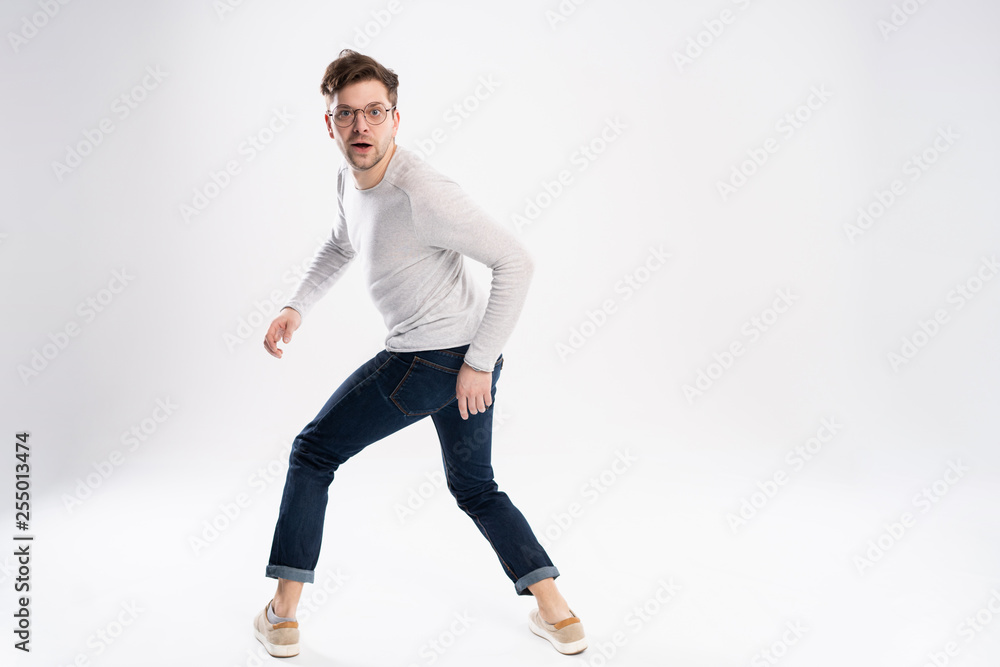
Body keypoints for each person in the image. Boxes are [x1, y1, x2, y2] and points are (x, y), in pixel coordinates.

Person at [252, 49, 587, 659]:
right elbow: (340, 242)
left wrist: (479, 363)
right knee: (476, 487)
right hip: (456, 363)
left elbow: (517, 261)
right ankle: (559, 616)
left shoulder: (423, 191)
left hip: (435, 362)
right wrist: (297, 305)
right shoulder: (349, 180)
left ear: (396, 119)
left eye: (374, 112)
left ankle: (281, 616)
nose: (361, 127)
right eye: (347, 114)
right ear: (329, 122)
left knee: (312, 453)